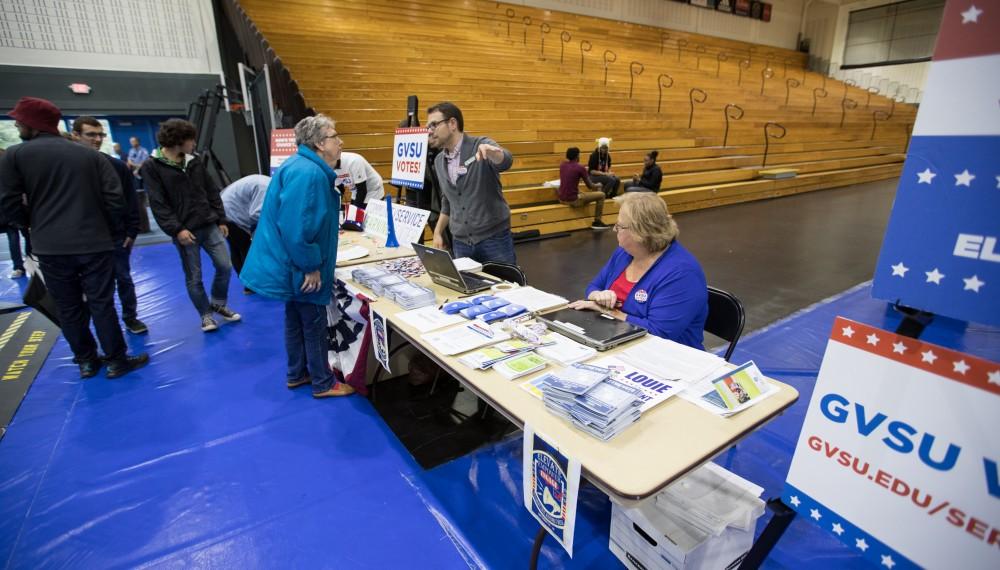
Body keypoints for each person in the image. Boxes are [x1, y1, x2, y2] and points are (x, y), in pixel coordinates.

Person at [0, 97, 148, 378]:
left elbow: (8, 203)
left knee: (68, 307)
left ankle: (86, 361)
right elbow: (115, 200)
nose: (16, 124)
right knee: (101, 303)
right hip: (94, 243)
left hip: (50, 246)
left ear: (32, 123)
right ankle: (116, 360)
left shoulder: (16, 156)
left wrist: (31, 226)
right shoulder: (90, 156)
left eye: (19, 120)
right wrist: (108, 231)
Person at [240, 114, 354, 399]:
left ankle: (297, 372)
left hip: (288, 261)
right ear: (319, 143)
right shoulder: (310, 173)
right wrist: (311, 266)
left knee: (295, 319)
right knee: (313, 321)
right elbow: (297, 228)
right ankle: (322, 382)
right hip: (299, 264)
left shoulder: (299, 165)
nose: (340, 142)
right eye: (334, 136)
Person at [569, 193, 708, 349]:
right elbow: (594, 285)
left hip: (666, 356)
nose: (615, 229)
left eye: (620, 226)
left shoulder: (682, 274)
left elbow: (659, 333)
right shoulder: (625, 252)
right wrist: (597, 296)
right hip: (622, 342)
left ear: (640, 233)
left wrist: (609, 311)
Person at [142, 119, 241, 333]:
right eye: (191, 139)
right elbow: (158, 203)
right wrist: (177, 229)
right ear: (179, 141)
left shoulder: (194, 161)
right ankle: (206, 315)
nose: (194, 144)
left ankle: (218, 303)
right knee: (194, 277)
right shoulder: (152, 166)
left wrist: (221, 219)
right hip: (186, 232)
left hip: (209, 224)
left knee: (225, 265)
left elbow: (211, 190)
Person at [71, 116, 148, 335]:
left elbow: (130, 200)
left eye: (100, 135)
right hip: (81, 238)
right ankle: (99, 327)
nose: (97, 139)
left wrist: (132, 230)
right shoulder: (69, 167)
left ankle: (130, 317)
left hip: (114, 236)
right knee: (89, 286)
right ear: (76, 135)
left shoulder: (115, 166)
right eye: (91, 135)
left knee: (123, 278)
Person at [427, 102, 516, 264]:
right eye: (428, 127)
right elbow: (448, 200)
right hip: (461, 243)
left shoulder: (480, 145)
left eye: (434, 125)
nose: (429, 131)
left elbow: (506, 161)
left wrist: (493, 154)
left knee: (507, 287)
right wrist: (438, 232)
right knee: (469, 288)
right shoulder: (439, 161)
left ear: (452, 123)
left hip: (494, 239)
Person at [220, 174, 270, 278]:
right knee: (246, 246)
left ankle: (245, 280)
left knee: (236, 246)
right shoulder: (266, 188)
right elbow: (255, 214)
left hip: (224, 209)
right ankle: (251, 282)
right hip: (230, 214)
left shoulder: (266, 181)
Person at [558, 147, 610, 231]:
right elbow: (590, 186)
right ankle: (597, 221)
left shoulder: (562, 165)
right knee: (602, 195)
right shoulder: (580, 167)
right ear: (577, 156)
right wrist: (598, 185)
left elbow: (569, 181)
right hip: (573, 200)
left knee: (581, 192)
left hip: (561, 198)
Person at [334, 151, 385, 231]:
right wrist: (339, 209)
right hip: (355, 190)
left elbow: (362, 190)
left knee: (369, 223)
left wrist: (353, 212)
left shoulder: (354, 161)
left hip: (373, 189)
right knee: (354, 221)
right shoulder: (330, 164)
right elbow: (340, 189)